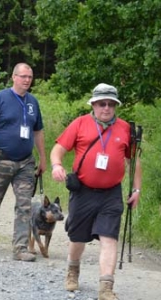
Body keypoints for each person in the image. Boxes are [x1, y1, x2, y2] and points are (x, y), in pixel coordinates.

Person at [50, 83, 142, 300]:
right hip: (83, 191)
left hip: (111, 193)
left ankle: (106, 288)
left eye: (111, 104)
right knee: (78, 238)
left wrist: (136, 189)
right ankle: (73, 270)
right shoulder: (80, 123)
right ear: (93, 104)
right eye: (102, 103)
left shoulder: (124, 129)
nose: (107, 108)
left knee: (109, 238)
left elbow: (135, 160)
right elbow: (58, 149)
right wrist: (56, 165)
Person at [0, 63, 46, 262]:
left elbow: (38, 131)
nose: (27, 80)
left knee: (24, 204)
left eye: (30, 77)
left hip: (25, 162)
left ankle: (20, 247)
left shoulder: (33, 102)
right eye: (23, 76)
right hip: (1, 160)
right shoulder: (0, 98)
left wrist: (42, 158)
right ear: (14, 77)